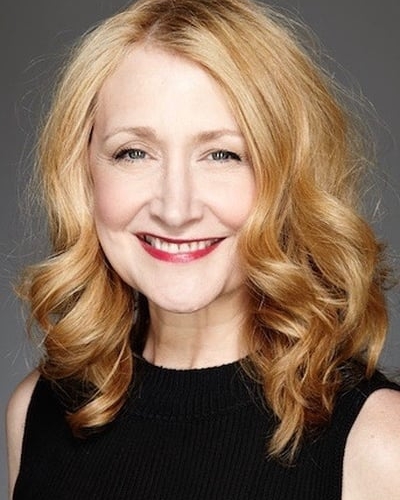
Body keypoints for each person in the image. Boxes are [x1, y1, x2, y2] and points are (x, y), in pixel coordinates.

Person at [6, 0, 400, 498]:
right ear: (83, 174)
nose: (176, 209)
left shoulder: (379, 443)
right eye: (134, 152)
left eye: (222, 154)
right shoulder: (35, 411)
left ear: (288, 179)